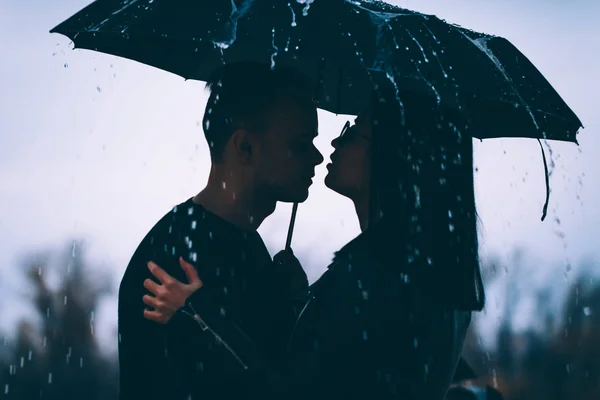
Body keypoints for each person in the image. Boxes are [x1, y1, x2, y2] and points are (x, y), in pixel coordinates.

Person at [144, 84, 486, 399]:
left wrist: (199, 315)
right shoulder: (427, 278)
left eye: (354, 130)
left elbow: (294, 392)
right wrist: (299, 301)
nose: (333, 145)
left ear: (396, 151)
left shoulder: (373, 277)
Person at [117, 62, 324, 400]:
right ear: (244, 147)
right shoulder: (172, 261)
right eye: (301, 144)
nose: (317, 157)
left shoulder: (247, 248)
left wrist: (292, 307)